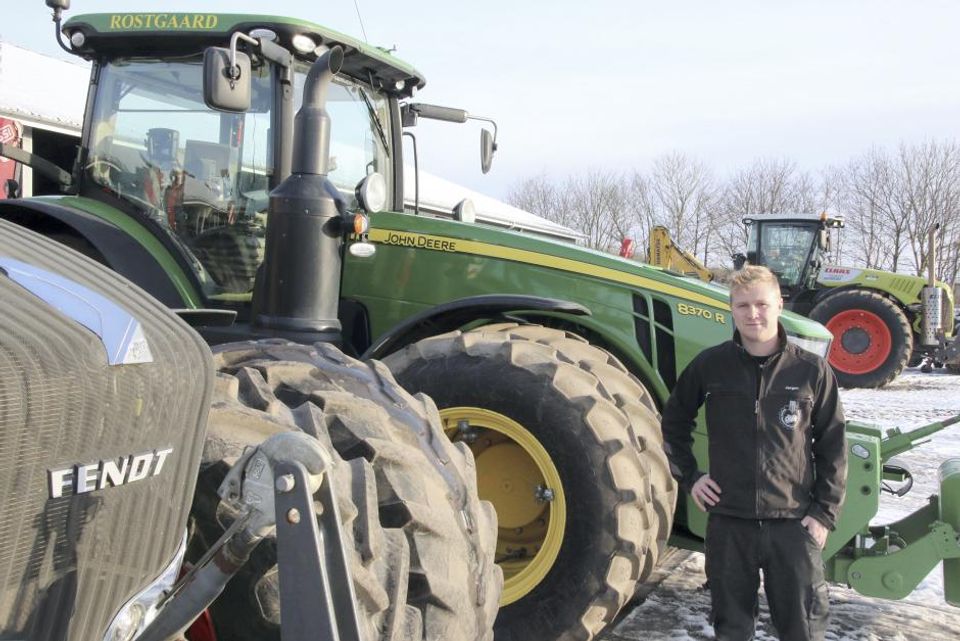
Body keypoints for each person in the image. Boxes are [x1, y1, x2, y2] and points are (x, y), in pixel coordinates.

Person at [661, 265, 847, 641]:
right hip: (730, 525)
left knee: (802, 630)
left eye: (761, 304)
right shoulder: (710, 365)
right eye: (742, 305)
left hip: (793, 524)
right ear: (732, 308)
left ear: (779, 304)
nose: (753, 314)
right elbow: (672, 422)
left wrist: (823, 514)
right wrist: (692, 478)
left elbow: (833, 444)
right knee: (731, 629)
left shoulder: (811, 370)